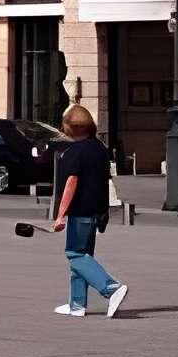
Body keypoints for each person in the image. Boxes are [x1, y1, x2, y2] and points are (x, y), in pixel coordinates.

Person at [49, 103, 126, 318]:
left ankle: (111, 288)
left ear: (69, 128)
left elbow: (71, 182)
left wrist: (61, 213)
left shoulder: (73, 152)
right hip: (98, 210)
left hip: (80, 210)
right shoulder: (99, 148)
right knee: (83, 257)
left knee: (75, 254)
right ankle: (77, 305)